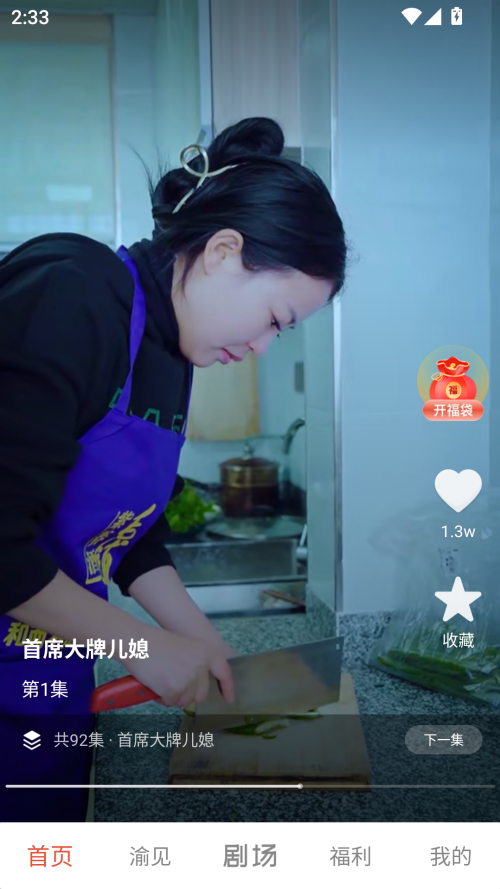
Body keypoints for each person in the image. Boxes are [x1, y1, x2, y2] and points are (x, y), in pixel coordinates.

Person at [0, 116, 347, 821]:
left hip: (48, 666)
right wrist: (137, 643)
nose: (262, 346)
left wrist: (202, 643)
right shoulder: (72, 294)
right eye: (274, 318)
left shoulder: (171, 345)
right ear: (223, 251)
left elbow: (126, 532)